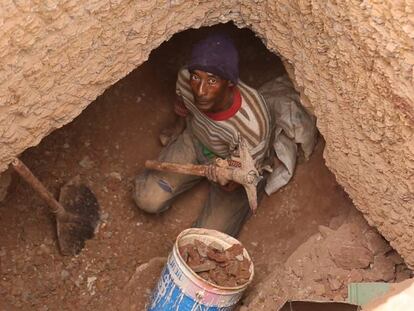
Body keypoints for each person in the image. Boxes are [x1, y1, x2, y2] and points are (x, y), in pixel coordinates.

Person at [133, 34, 317, 237]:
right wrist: (177, 127)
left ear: (230, 83)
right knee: (146, 199)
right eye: (197, 78)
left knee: (204, 243)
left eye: (212, 81)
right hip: (196, 140)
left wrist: (226, 176)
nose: (201, 90)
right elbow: (183, 101)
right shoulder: (186, 78)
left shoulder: (254, 125)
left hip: (236, 167)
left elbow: (238, 178)